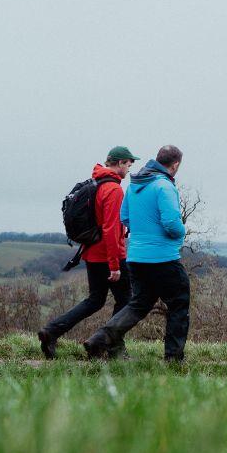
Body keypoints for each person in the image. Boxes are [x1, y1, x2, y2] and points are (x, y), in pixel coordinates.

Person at [84, 145, 190, 362]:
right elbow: (171, 223)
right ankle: (173, 359)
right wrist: (181, 233)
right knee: (179, 302)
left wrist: (143, 234)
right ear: (175, 164)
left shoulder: (134, 185)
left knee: (139, 304)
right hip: (164, 259)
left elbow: (125, 218)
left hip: (137, 259)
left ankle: (99, 339)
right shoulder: (164, 186)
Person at [37, 146, 138, 359]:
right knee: (127, 301)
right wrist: (114, 265)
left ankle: (51, 331)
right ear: (120, 163)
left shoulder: (97, 182)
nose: (129, 168)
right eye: (129, 164)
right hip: (109, 255)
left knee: (95, 300)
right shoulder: (113, 189)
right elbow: (110, 229)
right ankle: (111, 345)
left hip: (92, 252)